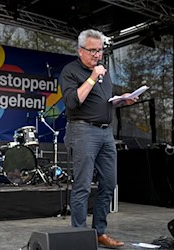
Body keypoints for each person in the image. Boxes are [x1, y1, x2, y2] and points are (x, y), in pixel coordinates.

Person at [59, 29, 137, 248]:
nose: (97, 55)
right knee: (83, 185)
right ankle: (79, 235)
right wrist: (93, 78)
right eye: (92, 50)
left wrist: (122, 101)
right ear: (80, 50)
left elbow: (104, 102)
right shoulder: (70, 71)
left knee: (109, 183)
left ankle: (99, 232)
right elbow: (73, 102)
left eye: (100, 50)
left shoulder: (104, 72)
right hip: (82, 131)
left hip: (105, 132)